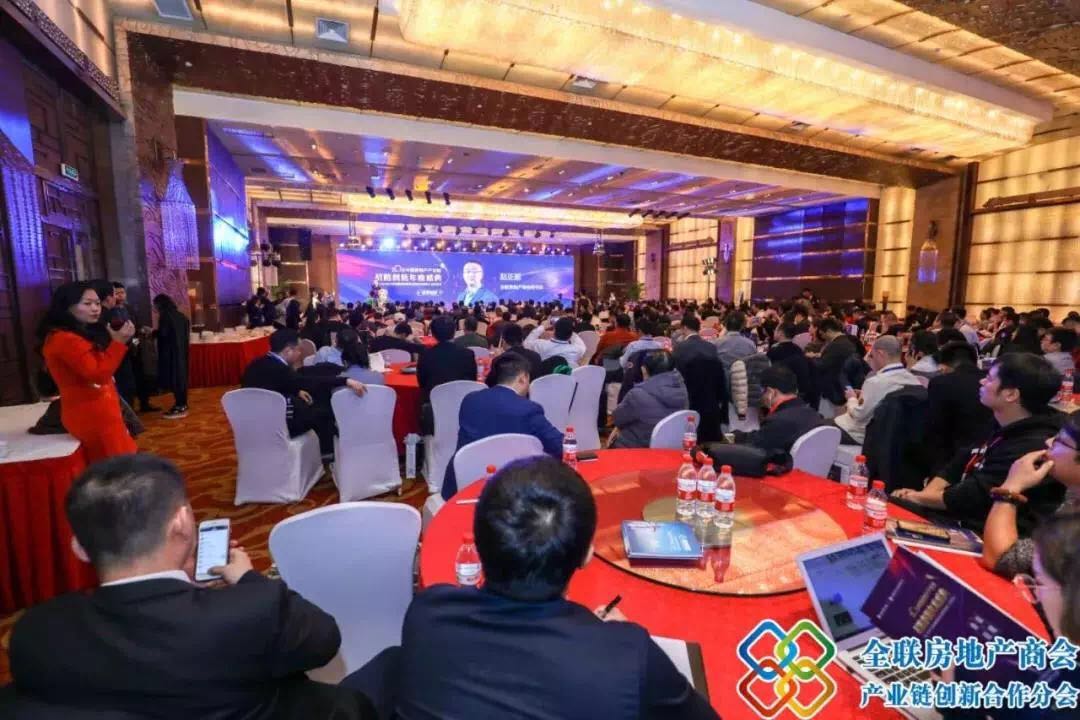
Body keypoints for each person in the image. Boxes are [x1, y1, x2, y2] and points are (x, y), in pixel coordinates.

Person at [8, 454, 371, 719]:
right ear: (182, 523)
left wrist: (186, 591)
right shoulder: (253, 609)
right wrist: (249, 580)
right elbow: (324, 639)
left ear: (80, 548)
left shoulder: (36, 632)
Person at [391, 456, 719, 720]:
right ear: (587, 554)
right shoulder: (630, 658)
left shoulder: (427, 613)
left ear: (478, 542)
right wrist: (614, 641)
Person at [892, 353, 1065, 533]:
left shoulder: (1033, 445)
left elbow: (973, 496)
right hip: (957, 514)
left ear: (1011, 394)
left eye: (989, 379)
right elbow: (959, 463)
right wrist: (923, 496)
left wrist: (918, 498)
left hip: (982, 530)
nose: (981, 382)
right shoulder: (1002, 420)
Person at [38, 281, 137, 463]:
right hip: (92, 413)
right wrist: (118, 343)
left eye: (97, 303)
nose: (95, 309)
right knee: (116, 467)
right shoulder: (65, 339)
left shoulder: (76, 333)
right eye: (87, 303)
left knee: (119, 463)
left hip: (99, 410)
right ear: (67, 306)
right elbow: (98, 374)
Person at [442, 354, 563, 499]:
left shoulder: (470, 400)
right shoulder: (528, 409)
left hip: (461, 486)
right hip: (508, 492)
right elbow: (560, 446)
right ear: (523, 378)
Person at [982, 414, 1080, 577]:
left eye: (1059, 441)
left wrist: (1012, 486)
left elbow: (1001, 559)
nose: (1048, 442)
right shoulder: (1072, 495)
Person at [241, 329, 368, 454]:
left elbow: (278, 384)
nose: (300, 353)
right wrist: (344, 380)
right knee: (324, 411)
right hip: (278, 425)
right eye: (299, 350)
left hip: (252, 423)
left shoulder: (255, 364)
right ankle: (327, 453)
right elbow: (308, 382)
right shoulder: (281, 369)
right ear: (288, 351)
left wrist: (297, 390)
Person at [832, 335, 922, 445]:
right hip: (892, 435)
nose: (871, 360)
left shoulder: (874, 382)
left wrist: (851, 398)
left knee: (818, 427)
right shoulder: (914, 380)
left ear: (880, 354)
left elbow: (858, 415)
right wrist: (864, 394)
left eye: (872, 356)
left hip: (861, 434)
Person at [923, 341, 995, 473]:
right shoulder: (991, 381)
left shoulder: (941, 383)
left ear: (943, 366)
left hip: (953, 459)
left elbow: (935, 427)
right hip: (990, 453)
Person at [733, 365, 824, 453]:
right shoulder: (813, 414)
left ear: (771, 392)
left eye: (762, 393)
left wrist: (734, 437)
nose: (762, 398)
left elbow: (754, 444)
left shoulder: (779, 421)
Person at [610, 351, 689, 449]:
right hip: (673, 447)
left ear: (643, 370)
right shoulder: (682, 389)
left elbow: (617, 419)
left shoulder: (637, 395)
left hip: (638, 448)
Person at [416, 315, 478, 408]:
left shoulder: (426, 355)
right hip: (462, 403)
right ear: (454, 332)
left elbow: (422, 383)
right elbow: (472, 380)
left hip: (433, 403)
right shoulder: (467, 354)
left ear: (433, 334)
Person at [152, 294, 191, 420]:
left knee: (174, 380)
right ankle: (183, 404)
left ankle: (180, 406)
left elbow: (163, 334)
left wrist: (152, 333)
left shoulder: (165, 316)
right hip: (182, 352)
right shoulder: (182, 316)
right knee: (181, 379)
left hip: (170, 354)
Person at [767, 322, 818, 408]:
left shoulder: (774, 351)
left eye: (776, 330)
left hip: (782, 391)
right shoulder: (798, 349)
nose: (774, 331)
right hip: (800, 389)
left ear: (780, 333)